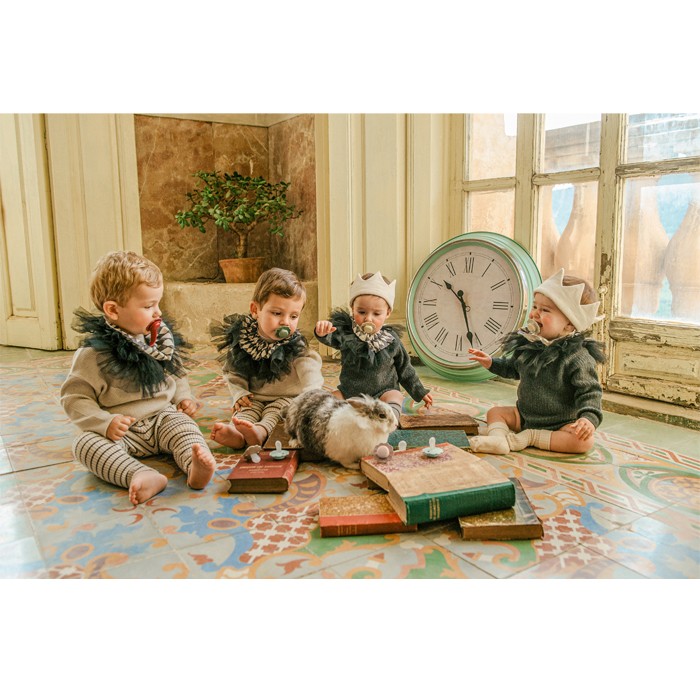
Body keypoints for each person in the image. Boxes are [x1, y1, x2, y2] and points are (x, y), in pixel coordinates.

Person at [60, 251, 217, 506]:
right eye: (148, 306)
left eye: (158, 304)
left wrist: (183, 397)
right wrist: (104, 423)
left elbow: (175, 371)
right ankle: (140, 474)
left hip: (162, 418)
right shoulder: (93, 354)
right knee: (85, 445)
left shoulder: (159, 340)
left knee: (184, 427)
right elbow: (74, 398)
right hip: (121, 432)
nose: (158, 313)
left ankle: (194, 465)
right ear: (113, 310)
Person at [467, 268, 606, 455]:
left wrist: (588, 419)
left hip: (560, 424)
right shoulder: (531, 345)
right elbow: (514, 368)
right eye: (534, 307)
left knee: (583, 442)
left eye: (545, 310)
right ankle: (498, 440)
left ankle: (529, 437)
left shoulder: (577, 357)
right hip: (524, 416)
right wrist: (492, 363)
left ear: (569, 324)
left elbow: (590, 391)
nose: (534, 314)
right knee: (495, 413)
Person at [210, 267, 324, 448]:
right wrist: (240, 393)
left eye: (293, 316)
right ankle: (236, 434)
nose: (285, 322)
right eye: (277, 313)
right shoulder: (245, 340)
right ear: (255, 310)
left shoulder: (295, 346)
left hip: (287, 396)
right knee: (244, 411)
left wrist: (311, 393)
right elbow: (234, 372)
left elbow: (310, 369)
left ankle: (260, 432)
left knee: (277, 413)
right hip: (254, 397)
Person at [314, 271, 433, 422]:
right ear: (352, 308)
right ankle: (337, 421)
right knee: (329, 400)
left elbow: (405, 369)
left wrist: (419, 391)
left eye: (376, 314)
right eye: (361, 312)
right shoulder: (347, 334)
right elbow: (331, 338)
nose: (368, 318)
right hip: (350, 392)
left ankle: (389, 420)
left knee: (396, 396)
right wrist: (323, 332)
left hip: (383, 392)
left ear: (387, 313)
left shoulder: (390, 340)